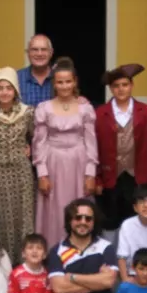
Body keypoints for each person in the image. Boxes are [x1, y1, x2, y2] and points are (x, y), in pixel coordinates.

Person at [33, 57, 97, 248]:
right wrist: (42, 173)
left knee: (79, 205)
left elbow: (91, 142)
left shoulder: (85, 108)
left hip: (79, 161)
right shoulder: (44, 108)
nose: (64, 86)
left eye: (68, 81)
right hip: (53, 162)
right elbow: (39, 143)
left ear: (75, 82)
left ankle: (80, 250)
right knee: (55, 208)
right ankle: (54, 250)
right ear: (54, 84)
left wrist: (90, 173)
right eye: (60, 82)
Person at [93, 63, 147, 231]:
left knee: (137, 221)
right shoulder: (100, 113)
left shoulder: (145, 111)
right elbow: (94, 148)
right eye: (116, 86)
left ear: (132, 85)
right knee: (110, 220)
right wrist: (96, 178)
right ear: (111, 89)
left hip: (138, 176)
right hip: (110, 176)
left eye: (125, 85)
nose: (121, 89)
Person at [0, 67, 36, 255]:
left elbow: (36, 137)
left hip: (21, 170)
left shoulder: (28, 112)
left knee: (24, 214)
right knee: (0, 214)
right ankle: (1, 257)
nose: (4, 92)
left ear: (16, 91)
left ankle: (25, 258)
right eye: (0, 88)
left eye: (9, 88)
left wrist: (30, 149)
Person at [16, 33, 57, 106]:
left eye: (44, 49)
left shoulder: (60, 78)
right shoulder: (16, 78)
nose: (39, 54)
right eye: (34, 49)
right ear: (28, 52)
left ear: (51, 53)